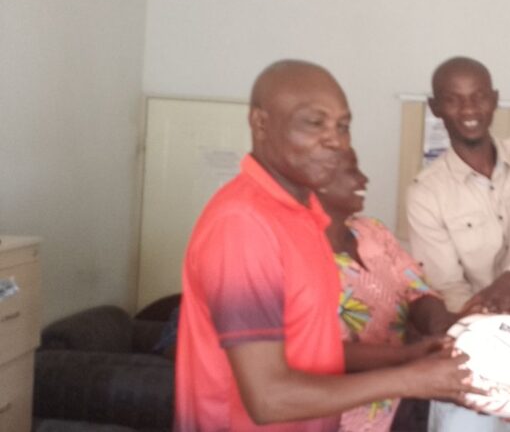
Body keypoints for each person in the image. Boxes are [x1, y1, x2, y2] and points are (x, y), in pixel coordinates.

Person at [174, 60, 474, 431]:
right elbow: (268, 398)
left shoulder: (305, 218)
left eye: (342, 126)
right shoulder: (243, 224)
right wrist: (410, 380)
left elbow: (315, 351)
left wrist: (409, 356)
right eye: (314, 123)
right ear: (261, 124)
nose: (335, 140)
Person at [406, 57, 510, 431]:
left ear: (495, 100)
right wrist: (492, 330)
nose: (469, 109)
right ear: (435, 107)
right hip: (470, 352)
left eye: (478, 96)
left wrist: (508, 284)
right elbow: (447, 285)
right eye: (453, 99)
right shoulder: (426, 193)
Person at [317, 147, 458, 432]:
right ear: (316, 179)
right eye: (351, 170)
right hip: (343, 415)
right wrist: (410, 356)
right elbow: (320, 352)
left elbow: (416, 290)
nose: (364, 179)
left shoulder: (372, 231)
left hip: (404, 402)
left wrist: (443, 329)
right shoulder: (299, 252)